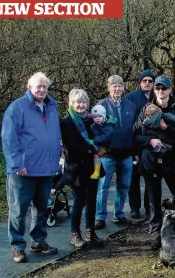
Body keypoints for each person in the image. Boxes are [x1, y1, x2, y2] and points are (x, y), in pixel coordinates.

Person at [2, 72, 62, 263]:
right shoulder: (17, 108)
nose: (42, 89)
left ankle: (39, 242)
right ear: (29, 86)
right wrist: (17, 164)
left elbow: (54, 137)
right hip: (23, 171)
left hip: (46, 169)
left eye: (45, 86)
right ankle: (18, 246)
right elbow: (9, 139)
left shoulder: (52, 107)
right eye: (38, 86)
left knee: (42, 209)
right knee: (18, 210)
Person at [134, 75, 175, 249]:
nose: (160, 91)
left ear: (170, 90)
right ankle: (156, 233)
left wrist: (167, 128)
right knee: (152, 198)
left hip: (171, 160)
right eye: (157, 89)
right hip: (151, 160)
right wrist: (150, 141)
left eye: (163, 88)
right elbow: (136, 134)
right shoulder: (145, 109)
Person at [61, 89, 109, 248]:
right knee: (79, 201)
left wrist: (101, 149)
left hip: (92, 167)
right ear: (71, 104)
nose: (81, 105)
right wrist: (92, 149)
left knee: (92, 200)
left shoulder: (91, 120)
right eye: (78, 102)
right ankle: (75, 234)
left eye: (84, 102)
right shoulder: (66, 122)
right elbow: (71, 146)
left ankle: (90, 232)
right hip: (76, 168)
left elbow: (102, 138)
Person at [95, 75, 137, 229]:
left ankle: (119, 214)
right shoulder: (101, 105)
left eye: (120, 85)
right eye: (114, 86)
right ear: (108, 88)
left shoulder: (130, 105)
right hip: (107, 154)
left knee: (124, 185)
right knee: (103, 186)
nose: (117, 88)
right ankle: (100, 217)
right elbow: (95, 129)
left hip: (126, 153)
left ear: (123, 87)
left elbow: (135, 128)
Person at [125, 69, 156, 219]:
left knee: (149, 178)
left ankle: (148, 207)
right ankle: (134, 208)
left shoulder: (157, 97)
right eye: (145, 81)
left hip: (150, 144)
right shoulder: (131, 97)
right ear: (140, 82)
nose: (147, 83)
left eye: (150, 81)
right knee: (134, 178)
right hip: (134, 142)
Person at [89, 105, 116, 179]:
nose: (97, 119)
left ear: (104, 116)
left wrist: (94, 140)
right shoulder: (94, 126)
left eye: (99, 116)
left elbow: (106, 137)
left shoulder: (108, 125)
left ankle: (97, 172)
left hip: (106, 148)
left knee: (95, 154)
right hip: (99, 145)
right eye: (95, 117)